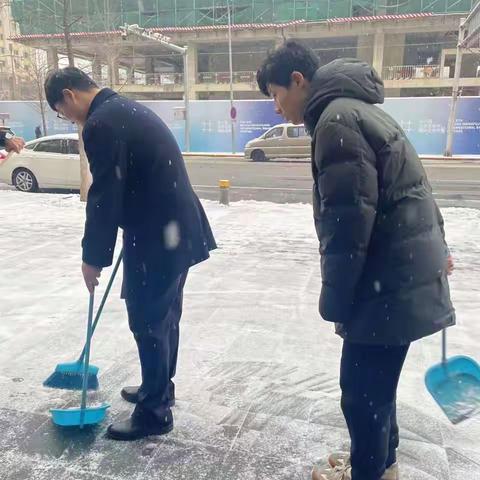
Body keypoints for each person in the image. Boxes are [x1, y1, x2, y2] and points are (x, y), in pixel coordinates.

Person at [257, 41, 455, 480]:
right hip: (397, 270)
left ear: (298, 81)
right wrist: (440, 248)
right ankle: (382, 465)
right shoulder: (358, 109)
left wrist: (337, 299)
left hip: (385, 278)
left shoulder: (336, 121)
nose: (275, 108)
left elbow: (348, 224)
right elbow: (414, 187)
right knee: (376, 390)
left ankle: (369, 472)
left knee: (361, 394)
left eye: (275, 94)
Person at [44, 67, 217, 441]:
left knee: (148, 320)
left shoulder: (101, 123)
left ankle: (154, 412)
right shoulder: (123, 109)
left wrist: (93, 257)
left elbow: (105, 193)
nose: (67, 118)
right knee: (165, 316)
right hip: (173, 229)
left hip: (157, 234)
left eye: (62, 111)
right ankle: (158, 388)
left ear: (69, 96)